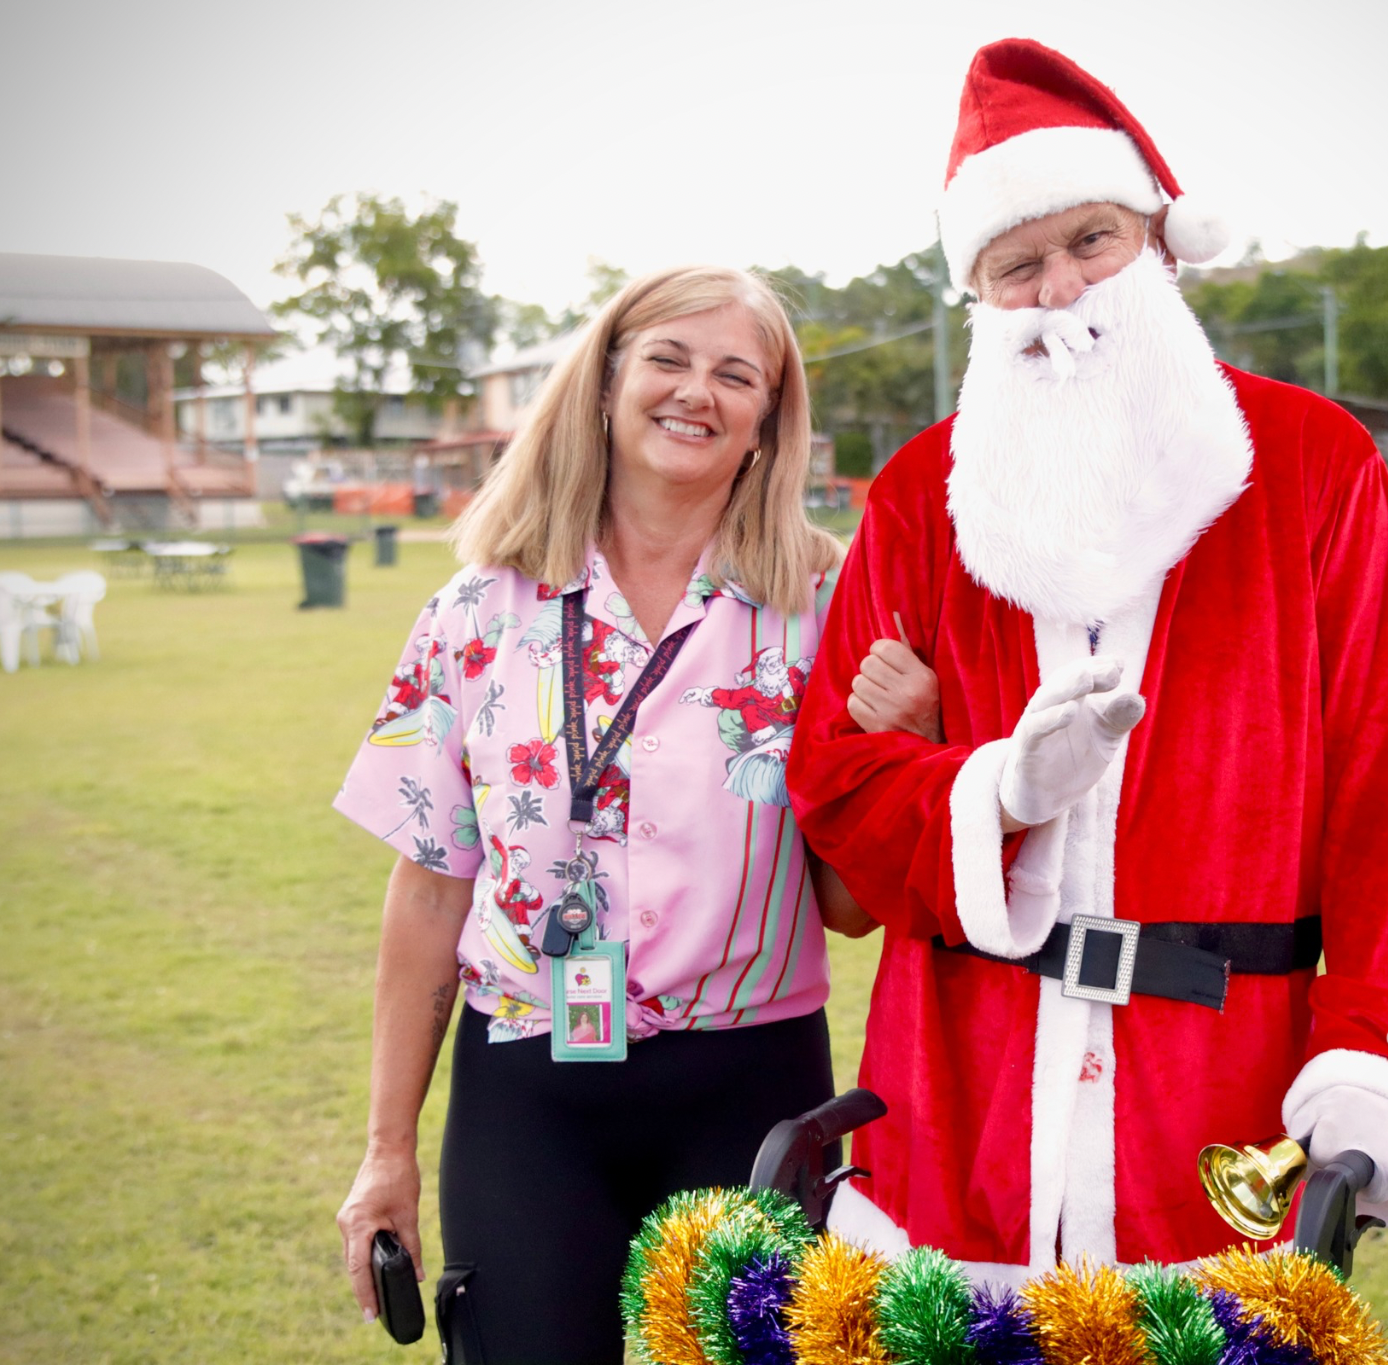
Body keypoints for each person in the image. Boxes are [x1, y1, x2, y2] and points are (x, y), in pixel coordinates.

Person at [787, 39, 1388, 1280]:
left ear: (1157, 238)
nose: (1062, 293)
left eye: (1090, 242)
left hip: (1219, 1101)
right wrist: (990, 789)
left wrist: (1380, 1058)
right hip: (961, 1104)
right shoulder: (915, 495)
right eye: (1016, 267)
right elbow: (832, 785)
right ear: (979, 297)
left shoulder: (1314, 464)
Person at [330, 265, 938, 1363]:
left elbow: (850, 908)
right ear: (606, 379)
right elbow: (428, 886)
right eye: (666, 357)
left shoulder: (825, 609)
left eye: (733, 374)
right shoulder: (475, 607)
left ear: (765, 419)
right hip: (527, 1093)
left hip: (748, 1091)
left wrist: (907, 750)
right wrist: (385, 1151)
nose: (694, 391)